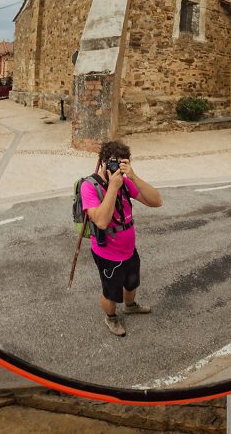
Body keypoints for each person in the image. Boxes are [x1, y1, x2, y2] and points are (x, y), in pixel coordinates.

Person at [81, 139, 163, 337]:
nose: (116, 167)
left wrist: (133, 176)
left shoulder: (125, 182)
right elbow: (101, 221)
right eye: (112, 162)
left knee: (132, 282)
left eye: (121, 162)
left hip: (129, 249)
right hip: (107, 253)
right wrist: (112, 187)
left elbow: (156, 201)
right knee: (111, 292)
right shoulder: (89, 186)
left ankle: (130, 306)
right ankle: (110, 317)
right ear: (103, 162)